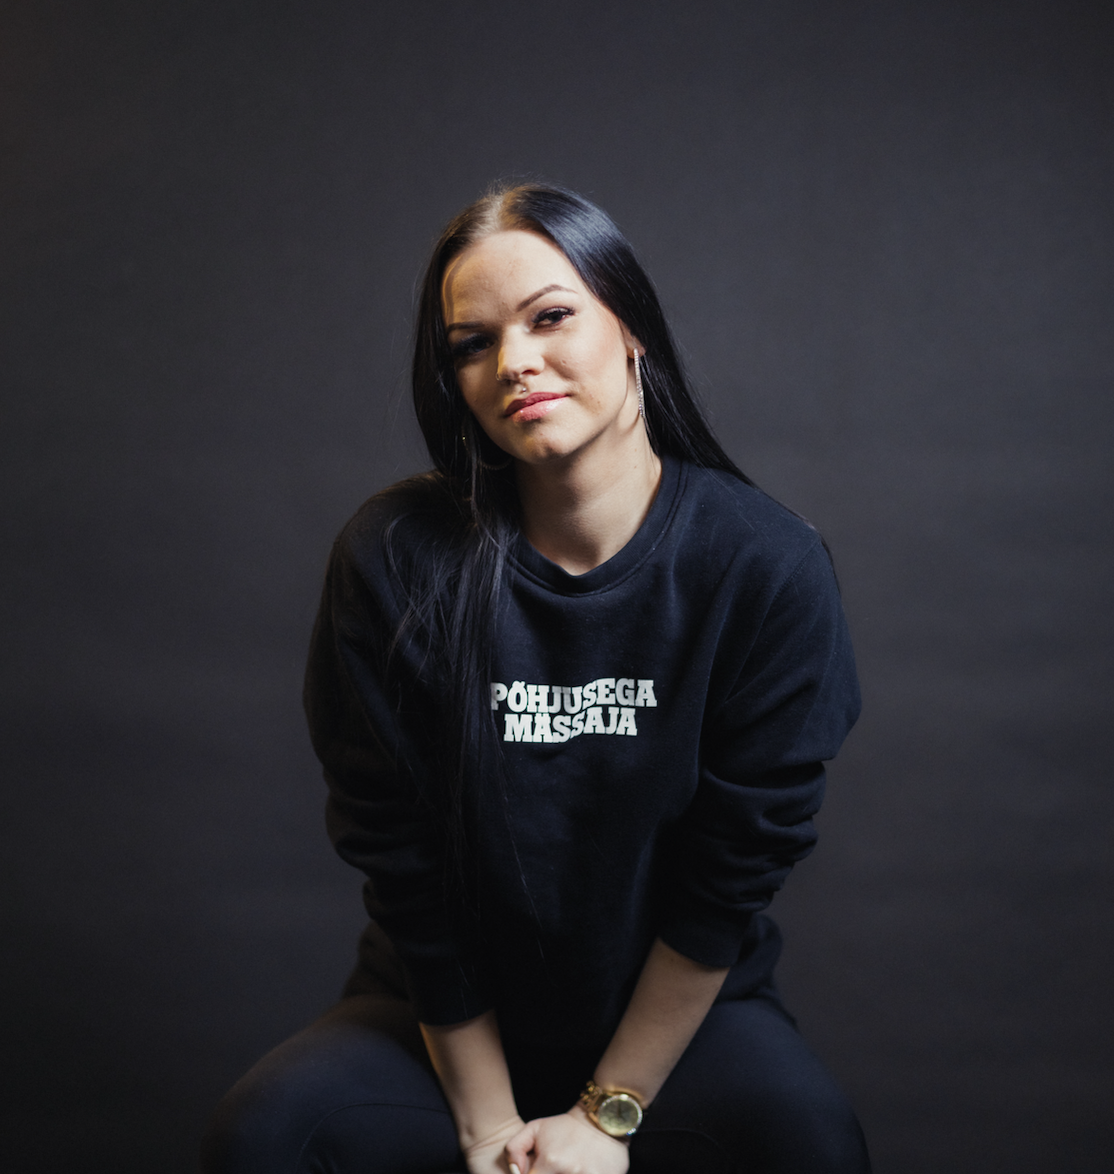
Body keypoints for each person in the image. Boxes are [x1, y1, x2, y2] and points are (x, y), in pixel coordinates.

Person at [201, 183, 871, 1174]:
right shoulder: (394, 557)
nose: (513, 361)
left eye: (550, 317)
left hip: (680, 1019)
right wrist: (487, 1126)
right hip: (441, 1020)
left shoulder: (763, 565)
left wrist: (607, 1114)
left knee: (807, 1141)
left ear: (630, 326)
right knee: (264, 1135)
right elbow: (404, 863)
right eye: (473, 344)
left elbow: (729, 879)